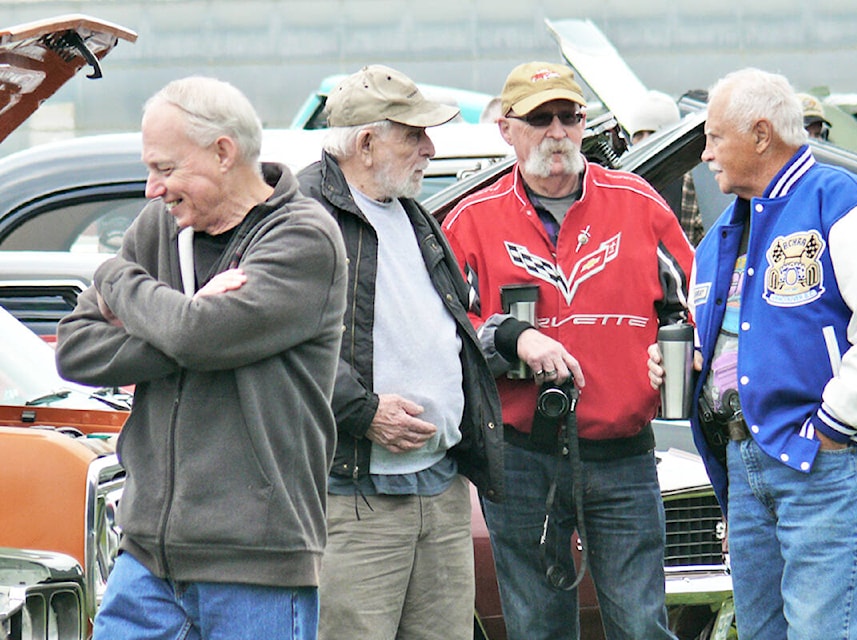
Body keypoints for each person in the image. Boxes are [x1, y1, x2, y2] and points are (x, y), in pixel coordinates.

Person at [648, 67, 857, 639]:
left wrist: (832, 424)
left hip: (830, 462)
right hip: (746, 465)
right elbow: (735, 341)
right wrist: (690, 366)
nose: (705, 153)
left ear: (761, 134)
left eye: (714, 136)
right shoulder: (718, 239)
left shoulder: (847, 206)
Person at [55, 76, 349, 640]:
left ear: (223, 152)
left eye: (164, 169)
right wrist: (184, 322)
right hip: (145, 559)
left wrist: (118, 281)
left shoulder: (305, 239)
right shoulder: (158, 230)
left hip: (257, 563)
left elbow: (197, 338)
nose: (151, 190)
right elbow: (76, 348)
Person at [442, 60, 691, 640]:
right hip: (522, 458)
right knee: (536, 629)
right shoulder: (472, 220)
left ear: (584, 123)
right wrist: (513, 336)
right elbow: (446, 331)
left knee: (642, 625)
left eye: (568, 117)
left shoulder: (638, 203)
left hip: (624, 454)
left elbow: (690, 300)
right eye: (539, 118)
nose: (556, 131)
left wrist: (685, 346)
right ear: (507, 128)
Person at [295, 64, 504, 640]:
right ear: (366, 142)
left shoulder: (411, 214)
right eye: (414, 135)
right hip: (354, 495)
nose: (430, 149)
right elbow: (274, 347)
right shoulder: (300, 215)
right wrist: (364, 411)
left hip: (437, 486)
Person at [622, 89, 705, 245]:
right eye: (639, 135)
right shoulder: (623, 184)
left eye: (653, 133)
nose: (645, 141)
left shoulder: (693, 184)